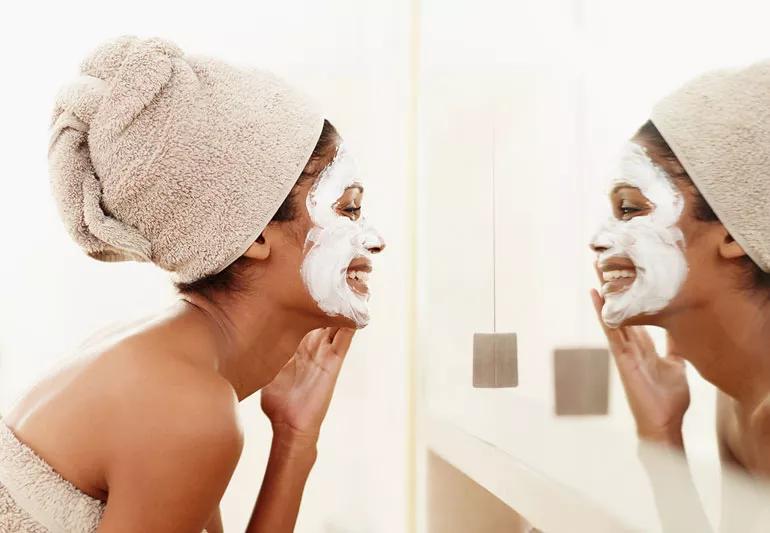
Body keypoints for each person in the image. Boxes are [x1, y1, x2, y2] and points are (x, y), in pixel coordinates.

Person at [0, 36, 384, 533]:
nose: (373, 241)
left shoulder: (174, 370)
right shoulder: (183, 407)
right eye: (347, 209)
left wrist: (294, 435)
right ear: (255, 235)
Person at [590, 60, 770, 531]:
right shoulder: (739, 401)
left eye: (630, 209)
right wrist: (661, 436)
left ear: (734, 232)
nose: (599, 239)